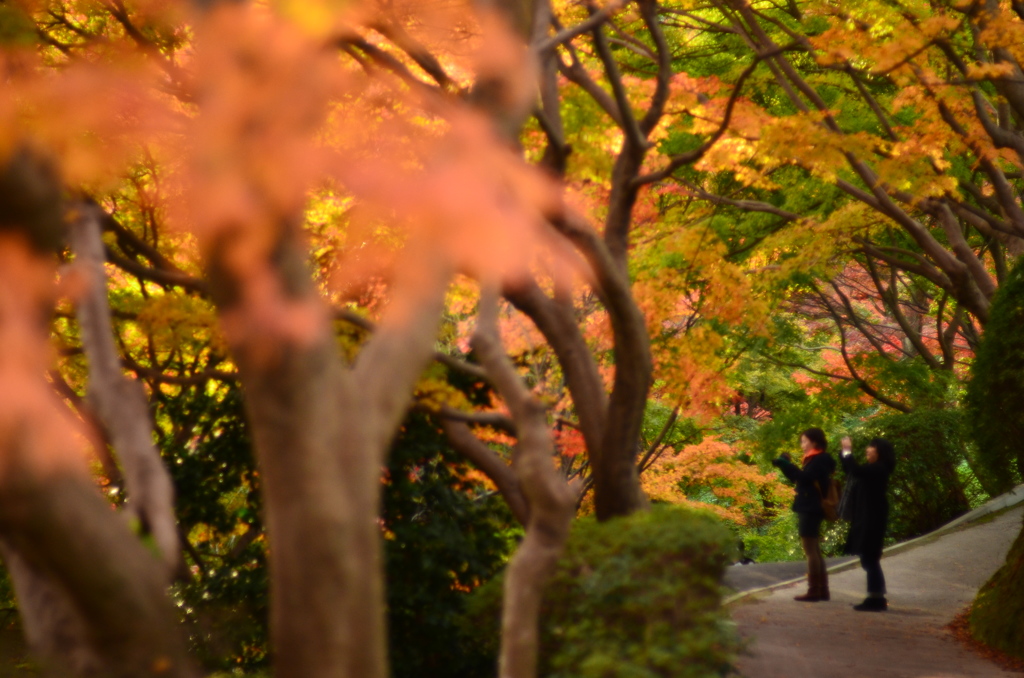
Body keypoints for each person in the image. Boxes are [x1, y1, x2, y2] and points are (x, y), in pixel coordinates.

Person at [771, 428, 836, 602]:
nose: (802, 445)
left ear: (814, 442)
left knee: (810, 549)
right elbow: (799, 479)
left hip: (811, 507)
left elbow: (805, 479)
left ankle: (814, 590)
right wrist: (786, 466)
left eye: (804, 441)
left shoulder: (819, 459)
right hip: (812, 506)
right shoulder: (815, 459)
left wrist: (787, 465)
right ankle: (822, 589)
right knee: (814, 549)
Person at [840, 436, 896, 611]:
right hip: (866, 516)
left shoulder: (879, 469)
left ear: (879, 451)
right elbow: (851, 470)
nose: (867, 450)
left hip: (872, 518)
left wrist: (848, 451)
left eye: (870, 447)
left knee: (870, 558)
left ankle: (876, 599)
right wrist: (844, 453)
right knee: (868, 558)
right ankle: (876, 597)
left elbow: (855, 470)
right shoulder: (872, 468)